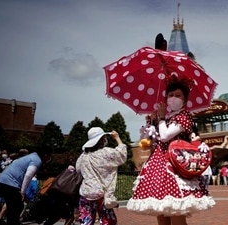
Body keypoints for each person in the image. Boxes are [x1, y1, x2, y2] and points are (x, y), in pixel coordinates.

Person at [126, 76, 215, 225]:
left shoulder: (184, 116)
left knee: (176, 212)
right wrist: (151, 123)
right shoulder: (165, 117)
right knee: (161, 212)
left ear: (185, 100)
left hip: (175, 163)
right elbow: (147, 141)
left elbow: (166, 136)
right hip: (158, 164)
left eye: (178, 95)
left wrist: (160, 119)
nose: (173, 98)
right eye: (170, 95)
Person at [76, 128, 127, 225]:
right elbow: (122, 155)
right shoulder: (105, 153)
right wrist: (117, 138)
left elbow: (78, 169)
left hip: (85, 192)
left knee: (86, 221)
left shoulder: (83, 156)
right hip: (101, 194)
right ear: (101, 139)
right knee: (108, 221)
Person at [0, 147, 51, 225]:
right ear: (46, 155)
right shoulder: (37, 160)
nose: (49, 158)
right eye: (49, 156)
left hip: (3, 180)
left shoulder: (32, 156)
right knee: (16, 207)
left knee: (15, 205)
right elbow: (28, 175)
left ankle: (6, 221)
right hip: (10, 182)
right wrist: (23, 192)